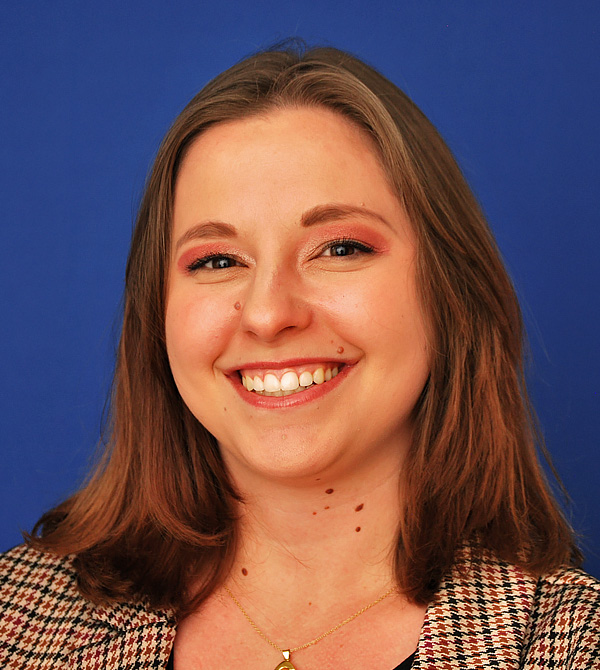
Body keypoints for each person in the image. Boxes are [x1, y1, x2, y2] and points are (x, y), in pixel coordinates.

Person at [1, 43, 598, 670]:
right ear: (157, 312)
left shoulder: (572, 645)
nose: (267, 313)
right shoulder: (19, 617)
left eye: (338, 248)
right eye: (217, 261)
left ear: (449, 290)